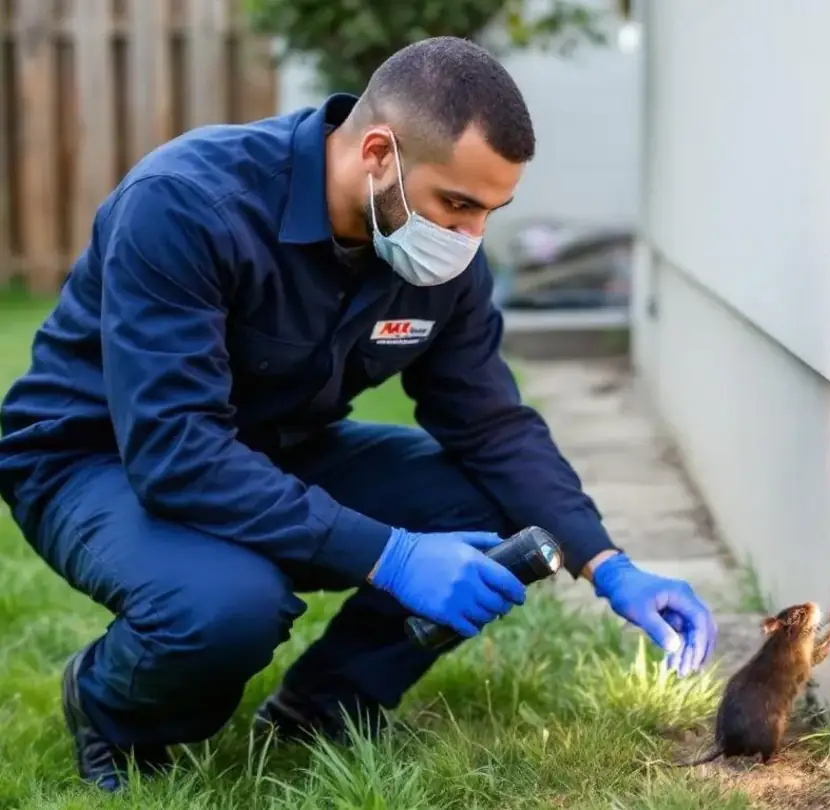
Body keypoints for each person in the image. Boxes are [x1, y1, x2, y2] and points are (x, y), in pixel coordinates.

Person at [0, 36, 717, 792]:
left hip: (271, 447)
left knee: (505, 514)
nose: (470, 237)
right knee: (229, 603)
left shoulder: (431, 252)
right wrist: (392, 555)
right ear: (378, 153)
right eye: (457, 204)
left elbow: (491, 423)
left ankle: (324, 707)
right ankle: (113, 711)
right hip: (100, 458)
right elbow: (177, 453)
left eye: (491, 212)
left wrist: (609, 565)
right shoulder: (188, 204)